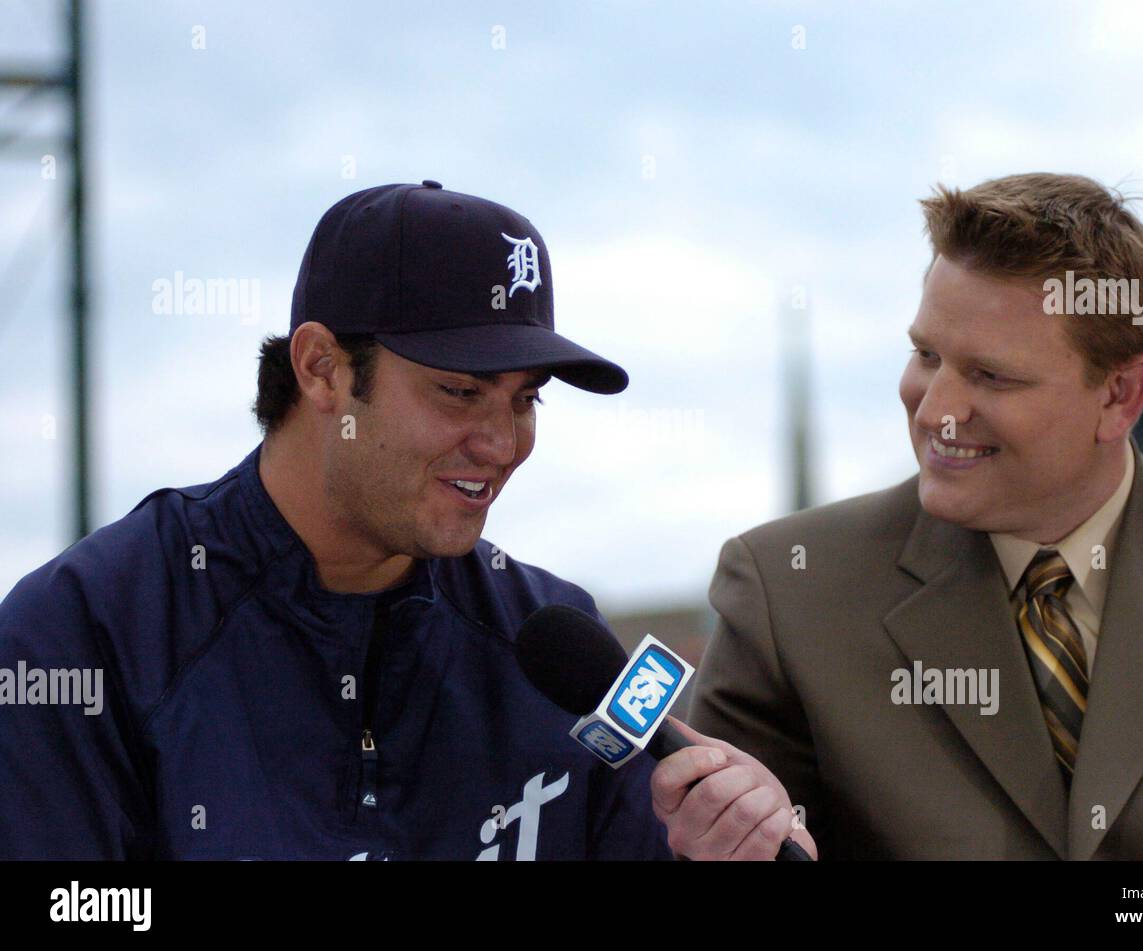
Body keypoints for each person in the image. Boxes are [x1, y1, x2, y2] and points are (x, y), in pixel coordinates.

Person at [0, 180, 673, 860]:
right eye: (461, 391)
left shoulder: (557, 645)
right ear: (322, 370)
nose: (502, 443)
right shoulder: (85, 629)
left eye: (526, 399)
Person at [687, 172, 1143, 860]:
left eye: (991, 376)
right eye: (927, 355)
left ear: (1121, 395)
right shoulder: (785, 597)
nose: (933, 408)